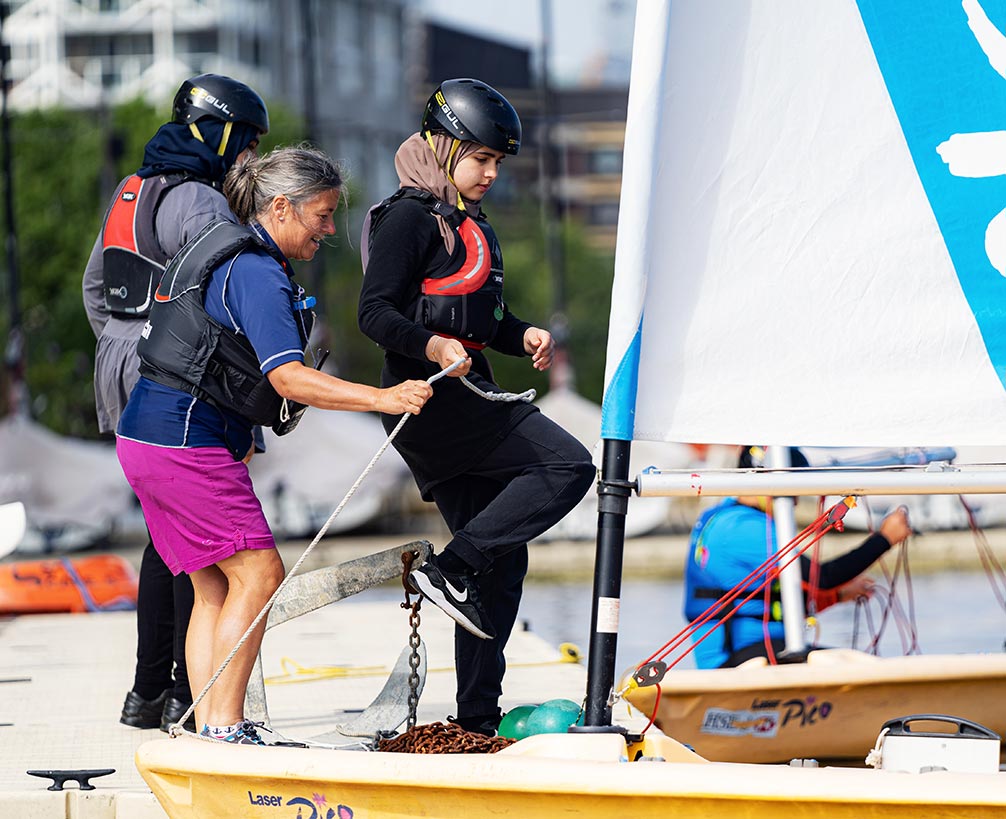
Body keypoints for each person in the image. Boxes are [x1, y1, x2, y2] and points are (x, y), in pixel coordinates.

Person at [115, 145, 434, 745]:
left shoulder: (230, 255)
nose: (329, 230)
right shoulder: (257, 271)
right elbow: (286, 377)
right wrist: (383, 398)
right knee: (260, 575)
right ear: (282, 207)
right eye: (322, 214)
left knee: (213, 585)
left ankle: (211, 728)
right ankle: (228, 728)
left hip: (147, 439)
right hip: (185, 441)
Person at [358, 78, 596, 736]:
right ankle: (451, 565)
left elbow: (477, 315)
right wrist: (431, 344)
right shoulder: (408, 216)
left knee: (504, 559)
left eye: (498, 162)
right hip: (434, 407)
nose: (492, 173)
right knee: (569, 465)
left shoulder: (466, 220)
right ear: (442, 145)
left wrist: (520, 334)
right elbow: (374, 312)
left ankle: (476, 721)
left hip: (465, 394)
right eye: (481, 158)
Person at [82, 73, 270, 732]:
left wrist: (119, 345)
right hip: (175, 373)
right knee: (191, 547)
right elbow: (220, 302)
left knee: (169, 532)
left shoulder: (130, 190)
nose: (247, 158)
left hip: (119, 357)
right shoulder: (200, 201)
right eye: (246, 143)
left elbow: (95, 286)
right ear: (222, 136)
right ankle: (183, 694)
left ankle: (149, 690)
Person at [683, 446, 913, 669]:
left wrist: (838, 596)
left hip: (752, 650)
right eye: (793, 492)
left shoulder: (720, 515)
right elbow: (822, 578)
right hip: (740, 658)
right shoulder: (742, 527)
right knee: (856, 666)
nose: (794, 503)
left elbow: (768, 598)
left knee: (846, 660)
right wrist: (884, 539)